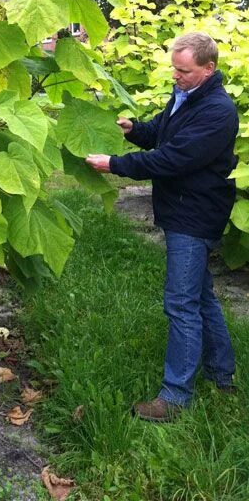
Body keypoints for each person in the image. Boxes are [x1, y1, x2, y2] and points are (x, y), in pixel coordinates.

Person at [85, 32, 238, 422]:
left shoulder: (218, 112)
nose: (176, 75)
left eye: (183, 70)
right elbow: (161, 133)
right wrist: (132, 129)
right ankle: (223, 374)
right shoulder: (187, 95)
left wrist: (115, 164)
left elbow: (172, 158)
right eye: (174, 67)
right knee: (201, 297)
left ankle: (174, 397)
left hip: (194, 215)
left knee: (181, 304)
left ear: (209, 69)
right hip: (182, 210)